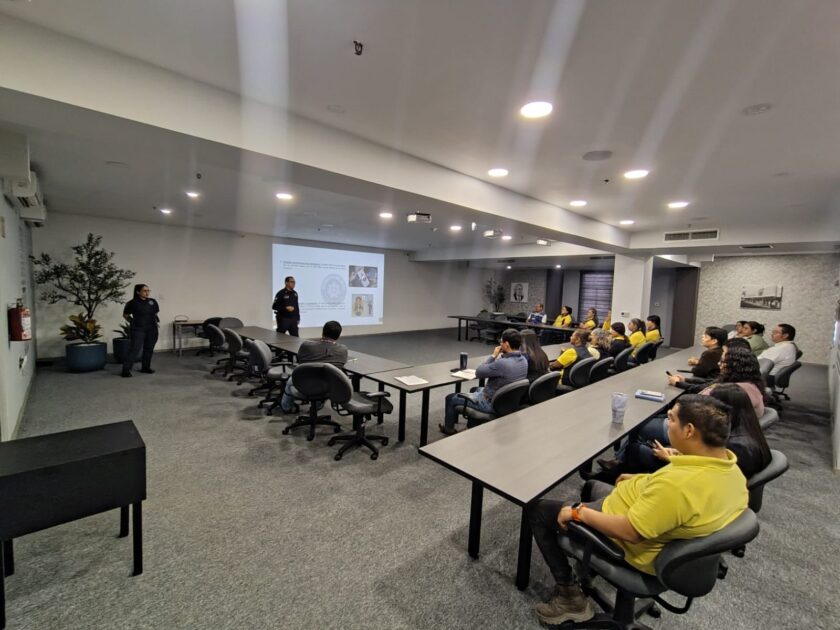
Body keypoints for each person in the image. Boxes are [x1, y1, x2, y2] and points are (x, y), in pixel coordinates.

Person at [528, 395, 748, 625]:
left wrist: (578, 512)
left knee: (538, 510)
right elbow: (677, 495)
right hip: (647, 516)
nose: (667, 424)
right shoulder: (733, 473)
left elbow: (630, 531)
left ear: (689, 431)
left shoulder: (677, 487)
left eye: (671, 419)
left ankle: (570, 598)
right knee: (591, 486)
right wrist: (641, 480)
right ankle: (585, 562)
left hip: (628, 541)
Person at [596, 384, 772, 484]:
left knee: (636, 450)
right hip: (691, 471)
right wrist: (678, 453)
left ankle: (608, 479)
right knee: (640, 448)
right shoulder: (744, 430)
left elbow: (704, 478)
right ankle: (614, 472)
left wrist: (671, 458)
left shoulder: (739, 448)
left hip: (686, 478)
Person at [439, 328, 527, 435]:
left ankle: (448, 429)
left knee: (451, 398)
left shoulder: (503, 363)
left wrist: (493, 356)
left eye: (501, 341)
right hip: (506, 401)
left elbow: (479, 372)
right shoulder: (524, 360)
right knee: (474, 389)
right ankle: (471, 426)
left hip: (490, 402)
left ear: (507, 344)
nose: (500, 343)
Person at [279, 320, 348, 413]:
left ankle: (286, 407)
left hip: (303, 383)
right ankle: (316, 407)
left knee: (291, 380)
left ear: (323, 332)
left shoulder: (307, 345)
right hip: (327, 386)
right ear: (338, 336)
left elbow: (300, 361)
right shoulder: (343, 350)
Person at [121, 284, 160, 377]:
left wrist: (155, 322)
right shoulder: (132, 303)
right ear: (138, 292)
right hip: (138, 329)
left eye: (148, 290)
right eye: (144, 291)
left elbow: (155, 313)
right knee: (134, 349)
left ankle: (145, 368)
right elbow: (125, 315)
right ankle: (125, 370)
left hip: (152, 329)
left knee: (149, 349)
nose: (147, 293)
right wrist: (133, 322)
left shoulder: (152, 301)